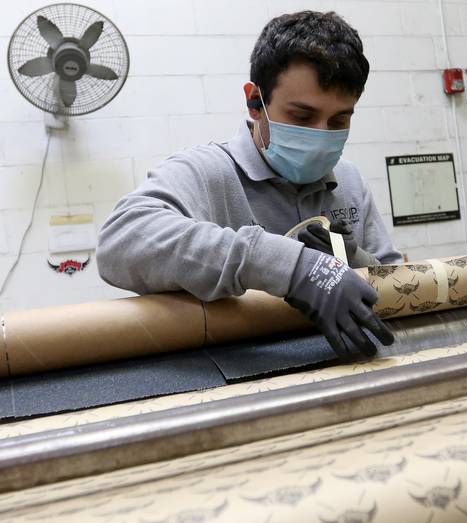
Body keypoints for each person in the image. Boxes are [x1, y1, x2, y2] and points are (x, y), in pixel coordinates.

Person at [97, 11, 402, 357]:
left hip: (348, 368)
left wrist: (354, 259)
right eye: (301, 117)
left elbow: (398, 283)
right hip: (239, 379)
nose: (321, 135)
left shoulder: (349, 180)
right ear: (255, 102)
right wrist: (291, 266)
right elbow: (120, 241)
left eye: (339, 120)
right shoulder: (206, 172)